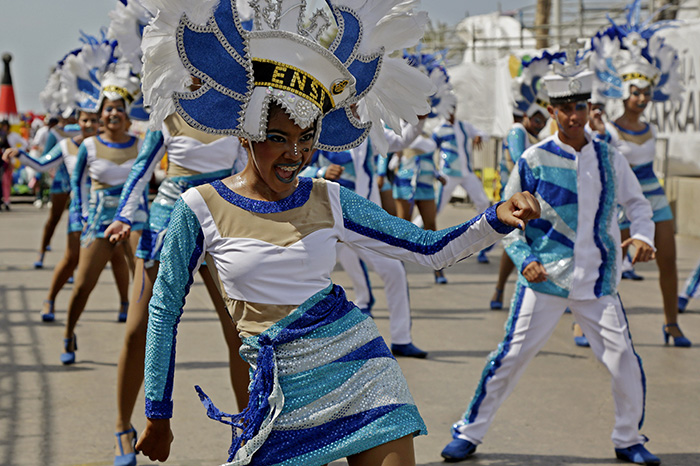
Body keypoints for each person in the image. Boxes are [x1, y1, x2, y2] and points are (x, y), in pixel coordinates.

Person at [133, 1, 539, 464]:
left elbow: (428, 249)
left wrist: (495, 216)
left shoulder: (327, 198)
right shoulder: (199, 208)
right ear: (246, 134)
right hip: (279, 402)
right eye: (279, 138)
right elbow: (164, 312)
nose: (295, 153)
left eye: (306, 138)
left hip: (362, 377)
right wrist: (157, 415)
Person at [441, 57, 662, 465]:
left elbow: (638, 205)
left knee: (625, 361)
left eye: (581, 107)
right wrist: (524, 258)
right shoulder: (534, 160)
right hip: (543, 281)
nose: (574, 116)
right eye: (566, 108)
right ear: (553, 110)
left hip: (598, 282)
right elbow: (505, 218)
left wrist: (643, 236)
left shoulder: (610, 158)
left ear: (588, 109)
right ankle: (469, 432)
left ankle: (629, 438)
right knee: (509, 358)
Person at [104, 110, 251, 466]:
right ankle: (123, 425)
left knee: (241, 333)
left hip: (221, 219)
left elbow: (250, 168)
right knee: (138, 330)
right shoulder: (167, 113)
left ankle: (252, 430)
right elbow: (142, 168)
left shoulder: (240, 111)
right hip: (168, 220)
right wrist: (124, 215)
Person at [591, 2, 690, 347]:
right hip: (622, 201)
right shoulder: (609, 130)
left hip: (656, 197)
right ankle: (587, 323)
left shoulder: (652, 129)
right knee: (610, 264)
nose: (642, 98)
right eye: (636, 92)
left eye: (646, 92)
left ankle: (671, 323)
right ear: (624, 92)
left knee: (669, 260)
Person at [301, 113, 428, 358]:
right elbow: (298, 164)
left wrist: (418, 120)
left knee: (394, 271)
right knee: (311, 279)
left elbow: (401, 141)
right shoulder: (324, 128)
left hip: (366, 222)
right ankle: (304, 345)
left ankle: (401, 339)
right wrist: (321, 170)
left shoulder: (371, 130)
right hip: (332, 220)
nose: (356, 105)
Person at [3, 111, 132, 323]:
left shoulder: (111, 144)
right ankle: (50, 299)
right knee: (72, 257)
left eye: (93, 119)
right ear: (78, 122)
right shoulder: (67, 146)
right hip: (79, 210)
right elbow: (42, 164)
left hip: (108, 209)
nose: (89, 124)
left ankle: (125, 303)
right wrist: (19, 155)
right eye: (85, 119)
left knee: (117, 255)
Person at [60, 63, 150, 365]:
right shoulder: (88, 145)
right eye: (108, 109)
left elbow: (146, 181)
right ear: (101, 113)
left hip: (134, 219)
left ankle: (143, 341)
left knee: (142, 284)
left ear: (127, 114)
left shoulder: (141, 144)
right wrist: (84, 217)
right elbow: (79, 184)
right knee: (84, 284)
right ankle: (69, 332)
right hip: (99, 221)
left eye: (119, 109)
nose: (113, 114)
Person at [490, 51, 555, 311]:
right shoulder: (518, 131)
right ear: (526, 114)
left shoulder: (535, 138)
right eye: (536, 118)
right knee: (514, 245)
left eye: (544, 120)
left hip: (529, 198)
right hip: (514, 198)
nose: (540, 124)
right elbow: (522, 163)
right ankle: (500, 290)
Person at [432, 109, 492, 265]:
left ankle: (483, 237)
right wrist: (434, 172)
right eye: (448, 107)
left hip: (466, 172)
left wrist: (479, 136)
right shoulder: (439, 130)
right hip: (448, 175)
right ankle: (411, 235)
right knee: (435, 208)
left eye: (453, 108)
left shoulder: (465, 126)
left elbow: (484, 134)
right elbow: (428, 150)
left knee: (483, 202)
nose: (450, 112)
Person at [0, 120, 28, 210]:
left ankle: (7, 200)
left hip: (7, 162)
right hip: (2, 161)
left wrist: (16, 152)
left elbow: (25, 143)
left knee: (6, 182)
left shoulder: (12, 136)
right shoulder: (2, 135)